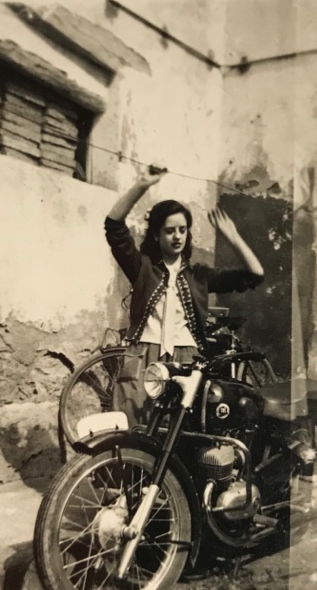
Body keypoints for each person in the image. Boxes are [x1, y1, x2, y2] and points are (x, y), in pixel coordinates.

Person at [104, 168, 264, 424]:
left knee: (178, 434)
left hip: (186, 359)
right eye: (169, 231)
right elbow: (114, 226)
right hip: (143, 356)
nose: (177, 236)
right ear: (156, 234)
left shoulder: (199, 276)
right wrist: (142, 185)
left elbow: (254, 275)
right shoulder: (142, 268)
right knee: (130, 427)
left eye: (182, 230)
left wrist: (233, 237)